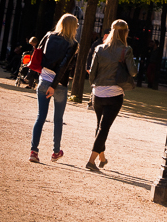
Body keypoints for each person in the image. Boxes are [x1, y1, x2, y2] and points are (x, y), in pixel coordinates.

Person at [86, 18, 137, 172]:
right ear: (125, 33)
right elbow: (133, 72)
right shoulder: (126, 50)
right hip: (114, 94)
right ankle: (91, 161)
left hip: (98, 93)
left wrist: (96, 87)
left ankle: (101, 158)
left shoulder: (100, 48)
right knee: (104, 128)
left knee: (100, 126)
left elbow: (92, 73)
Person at [29, 14, 79, 164]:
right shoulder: (73, 43)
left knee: (41, 116)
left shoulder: (49, 35)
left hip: (44, 79)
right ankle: (56, 151)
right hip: (60, 84)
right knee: (58, 119)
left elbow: (38, 54)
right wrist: (54, 85)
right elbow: (64, 66)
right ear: (73, 26)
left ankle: (34, 151)